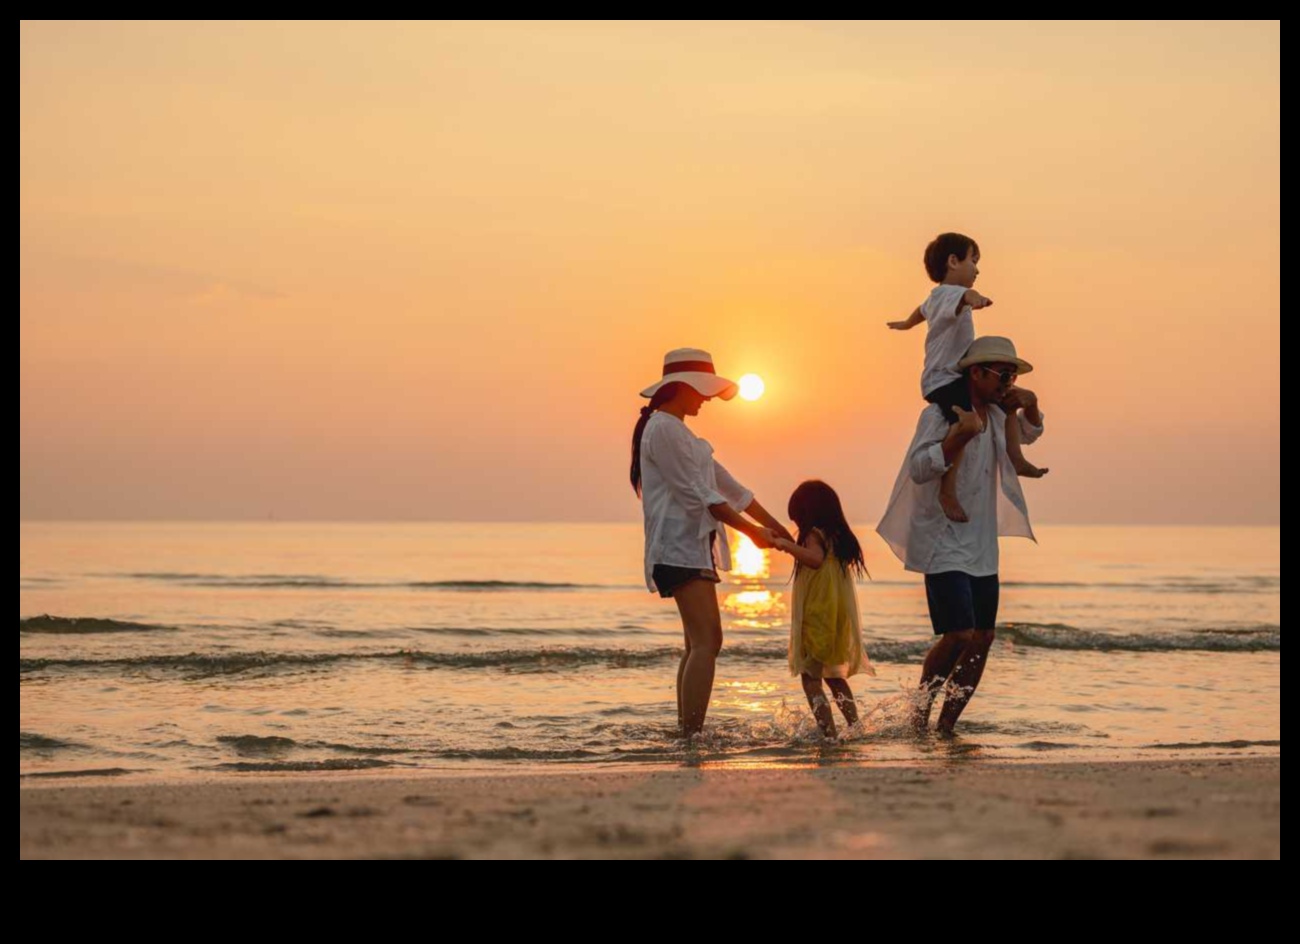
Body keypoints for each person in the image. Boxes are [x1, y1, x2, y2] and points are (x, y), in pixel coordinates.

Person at [876, 336, 1045, 735]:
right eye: (1003, 374)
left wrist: (1032, 402)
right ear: (977, 372)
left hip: (982, 545)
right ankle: (919, 714)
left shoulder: (997, 415)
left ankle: (947, 726)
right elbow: (919, 468)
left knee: (983, 636)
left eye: (1013, 375)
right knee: (958, 634)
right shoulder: (941, 414)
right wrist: (957, 437)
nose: (1008, 382)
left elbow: (1029, 433)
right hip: (943, 540)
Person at [632, 348, 792, 736]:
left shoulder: (681, 433)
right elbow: (699, 495)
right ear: (681, 387)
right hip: (677, 548)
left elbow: (731, 489)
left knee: (697, 644)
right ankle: (692, 735)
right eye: (702, 390)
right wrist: (753, 534)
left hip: (691, 547)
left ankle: (687, 732)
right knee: (708, 642)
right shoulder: (664, 429)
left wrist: (780, 529)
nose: (706, 399)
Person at [888, 232, 1047, 522]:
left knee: (1008, 403)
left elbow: (919, 312)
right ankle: (947, 490)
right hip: (943, 380)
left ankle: (1017, 458)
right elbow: (966, 296)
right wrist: (977, 299)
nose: (977, 268)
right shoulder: (949, 294)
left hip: (954, 377)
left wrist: (906, 324)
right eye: (973, 260)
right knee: (966, 425)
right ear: (953, 261)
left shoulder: (935, 300)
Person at [769, 480, 873, 739]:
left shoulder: (813, 535)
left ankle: (828, 733)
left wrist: (785, 544)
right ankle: (854, 727)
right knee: (835, 677)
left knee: (810, 677)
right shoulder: (837, 536)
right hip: (835, 615)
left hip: (817, 614)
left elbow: (814, 560)